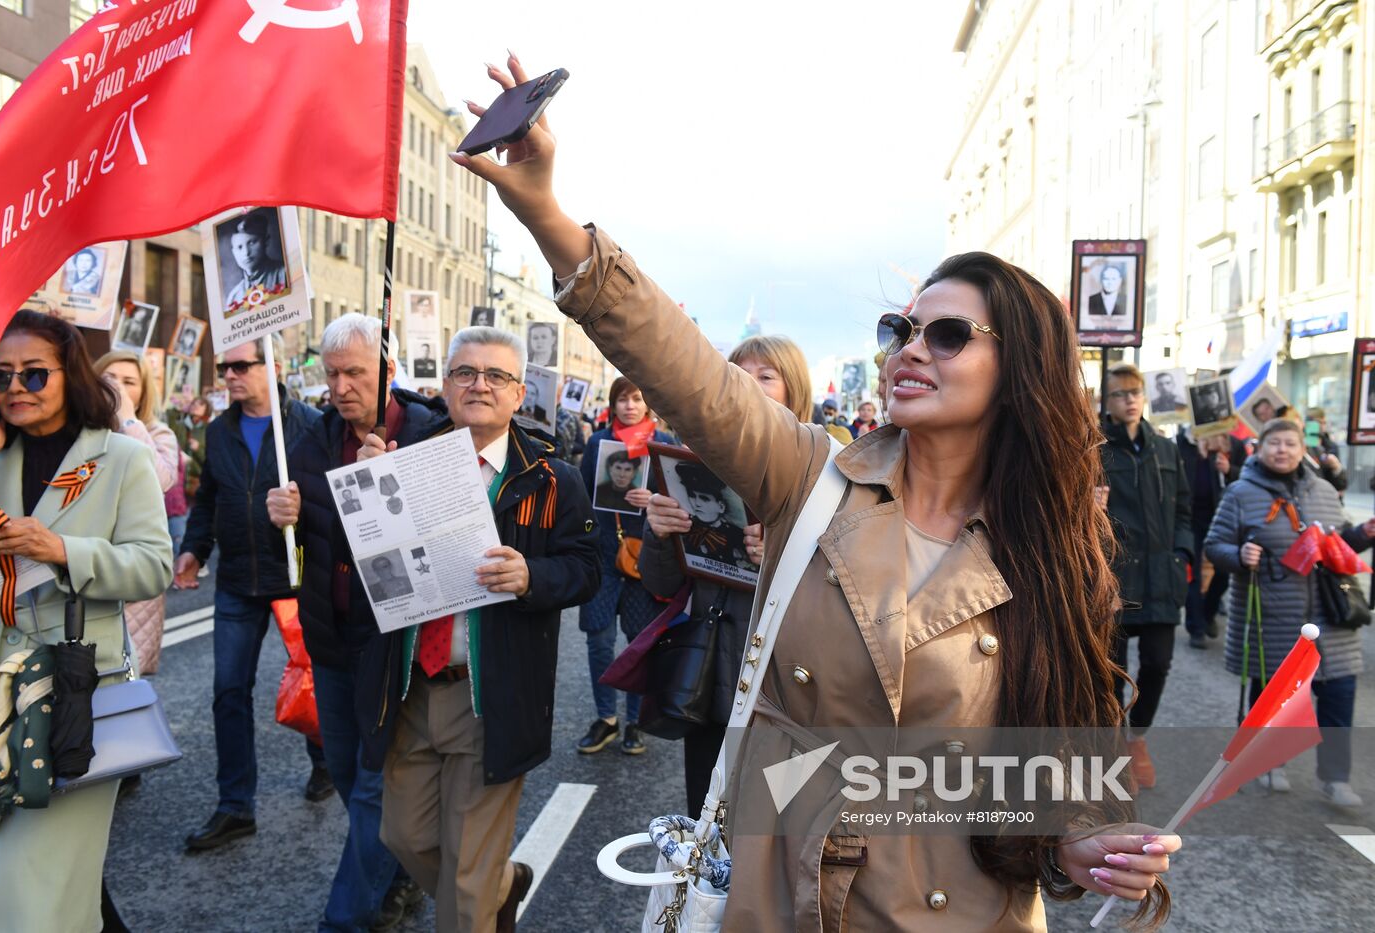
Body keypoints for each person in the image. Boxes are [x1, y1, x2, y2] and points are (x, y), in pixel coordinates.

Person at [449, 53, 1180, 927]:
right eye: (900, 328)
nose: (910, 348)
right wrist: (549, 217)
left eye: (947, 335)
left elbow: (1060, 753)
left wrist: (1078, 841)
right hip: (786, 895)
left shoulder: (1051, 543)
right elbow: (683, 367)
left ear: (1018, 369)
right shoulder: (813, 476)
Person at [355, 326, 600, 932]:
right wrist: (366, 493)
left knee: (464, 891)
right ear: (444, 387)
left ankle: (483, 892)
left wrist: (531, 576)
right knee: (403, 836)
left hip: (490, 696)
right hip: (411, 686)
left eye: (496, 376)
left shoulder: (552, 477)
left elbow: (587, 569)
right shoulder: (401, 464)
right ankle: (502, 882)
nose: (479, 385)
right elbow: (367, 564)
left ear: (520, 394)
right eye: (465, 373)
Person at [0, 310, 172, 931]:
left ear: (70, 376)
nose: (15, 388)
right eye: (1, 375)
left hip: (73, 699)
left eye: (35, 375)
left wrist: (61, 550)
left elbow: (152, 567)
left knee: (22, 894)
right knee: (24, 881)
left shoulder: (120, 458)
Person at [266, 312, 444, 930]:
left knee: (372, 786)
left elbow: (448, 542)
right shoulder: (310, 441)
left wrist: (388, 479)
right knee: (345, 774)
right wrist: (278, 512)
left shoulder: (429, 435)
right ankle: (397, 874)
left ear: (387, 374)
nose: (341, 386)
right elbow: (286, 553)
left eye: (355, 373)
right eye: (331, 371)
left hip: (393, 645)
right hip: (331, 643)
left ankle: (344, 919)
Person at [640, 334, 808, 814]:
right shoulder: (691, 464)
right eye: (737, 375)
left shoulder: (823, 475)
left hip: (786, 690)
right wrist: (659, 533)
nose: (748, 386)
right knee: (707, 820)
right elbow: (661, 584)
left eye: (766, 376)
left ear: (794, 391)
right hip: (711, 678)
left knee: (776, 830)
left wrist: (778, 558)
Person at [176, 334, 331, 851]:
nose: (231, 376)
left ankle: (325, 762)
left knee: (312, 684)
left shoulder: (308, 424)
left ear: (274, 365)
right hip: (238, 580)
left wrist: (302, 511)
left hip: (296, 576)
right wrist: (194, 549)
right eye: (225, 368)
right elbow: (209, 499)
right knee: (228, 692)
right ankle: (235, 805)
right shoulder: (218, 430)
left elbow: (333, 502)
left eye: (242, 365)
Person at [1205, 419, 1371, 807]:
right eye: (1274, 442)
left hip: (1331, 614)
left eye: (1290, 443)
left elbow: (1340, 543)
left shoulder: (1325, 490)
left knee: (1339, 693)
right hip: (1274, 614)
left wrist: (1363, 534)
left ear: (1302, 449)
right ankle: (1268, 762)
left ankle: (1335, 778)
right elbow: (1215, 545)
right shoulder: (1240, 494)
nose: (1282, 449)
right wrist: (1239, 555)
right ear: (1259, 448)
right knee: (1274, 696)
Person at [1099, 364, 1191, 788]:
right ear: (1108, 401)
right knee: (1113, 670)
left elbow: (1185, 510)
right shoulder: (1093, 447)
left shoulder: (1165, 448)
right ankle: (1117, 745)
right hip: (1115, 578)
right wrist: (1090, 508)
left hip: (1160, 578)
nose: (1130, 400)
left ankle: (1137, 738)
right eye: (1120, 394)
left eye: (1135, 393)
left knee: (1158, 662)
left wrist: (1182, 555)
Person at [577, 375, 676, 756]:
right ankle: (606, 718)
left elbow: (677, 502)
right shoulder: (598, 443)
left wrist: (653, 498)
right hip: (604, 556)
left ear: (648, 403)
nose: (630, 406)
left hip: (646, 559)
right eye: (622, 399)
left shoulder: (663, 445)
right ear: (613, 404)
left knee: (640, 645)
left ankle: (635, 721)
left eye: (637, 398)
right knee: (599, 640)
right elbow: (583, 499)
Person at [94, 350, 182, 675]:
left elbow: (159, 480)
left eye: (129, 382)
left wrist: (127, 419)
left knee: (122, 694)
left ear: (143, 392)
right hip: (87, 567)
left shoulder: (157, 433)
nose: (117, 388)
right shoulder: (79, 431)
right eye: (109, 379)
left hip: (132, 582)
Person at [1176, 428, 1245, 649]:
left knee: (1223, 573)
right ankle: (1196, 627)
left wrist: (1229, 470)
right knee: (1193, 574)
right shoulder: (1183, 443)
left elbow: (1248, 476)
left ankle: (1208, 613)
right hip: (1191, 517)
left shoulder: (1233, 444)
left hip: (1222, 517)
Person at [672, 461, 750, 569]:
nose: (697, 503)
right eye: (692, 495)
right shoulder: (683, 527)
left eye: (705, 498)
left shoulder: (738, 535)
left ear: (721, 506)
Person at [223, 213, 289, 311]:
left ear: (266, 241)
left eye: (252, 242)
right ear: (233, 252)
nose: (246, 253)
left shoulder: (285, 275)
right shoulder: (234, 298)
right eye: (239, 247)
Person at [593, 446, 642, 512]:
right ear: (610, 469)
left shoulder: (638, 496)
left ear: (634, 473)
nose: (622, 475)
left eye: (628, 470)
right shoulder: (598, 491)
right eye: (618, 468)